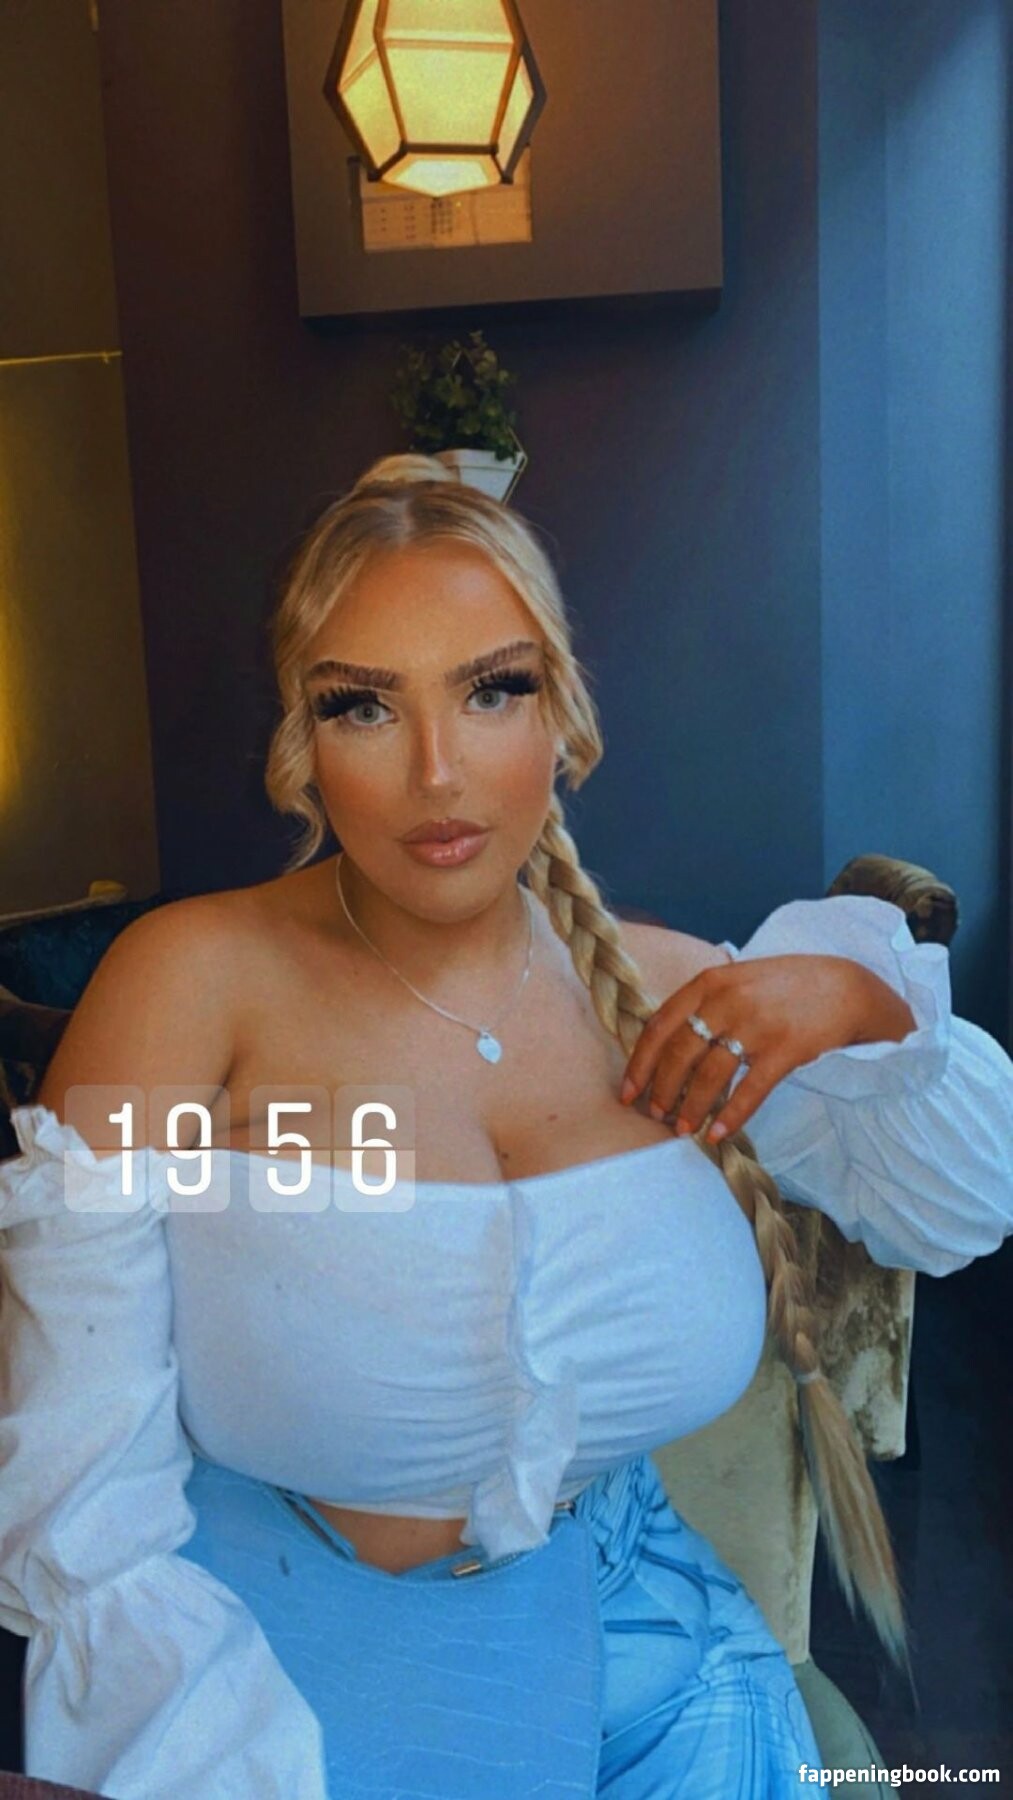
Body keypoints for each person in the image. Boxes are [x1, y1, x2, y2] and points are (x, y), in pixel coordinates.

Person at [1, 454, 1011, 1799]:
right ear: (302, 746)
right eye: (364, 705)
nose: (438, 772)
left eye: (492, 690)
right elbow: (72, 1471)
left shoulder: (671, 998)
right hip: (279, 1660)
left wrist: (863, 1000)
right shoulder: (186, 982)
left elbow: (966, 1200)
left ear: (564, 713)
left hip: (664, 1668)